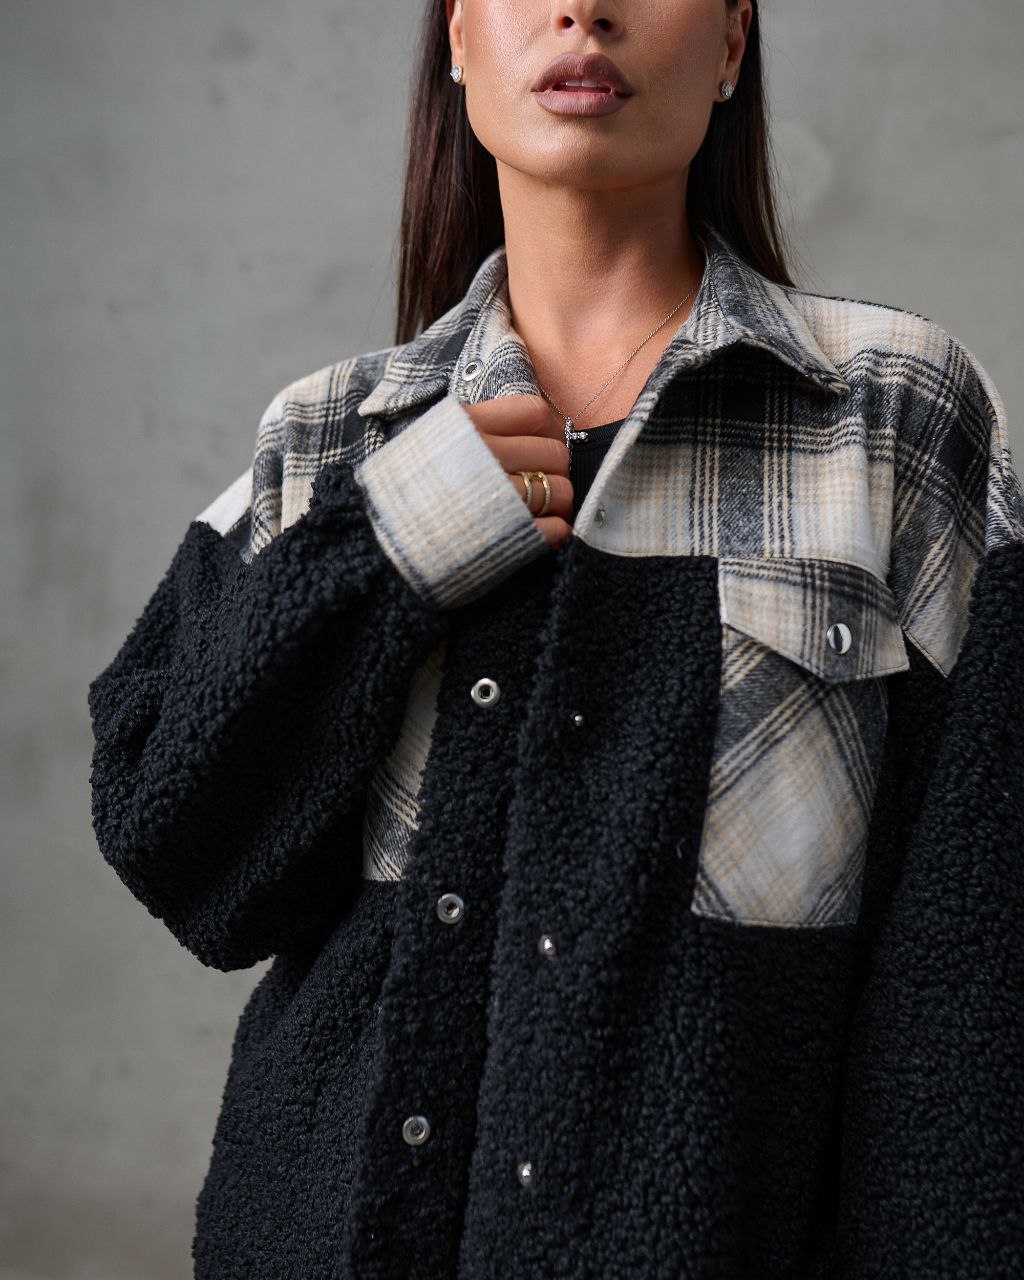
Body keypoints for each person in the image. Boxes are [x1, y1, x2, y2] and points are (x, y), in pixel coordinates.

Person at [86, 0, 1024, 1275]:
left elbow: (970, 978)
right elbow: (179, 843)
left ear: (732, 43)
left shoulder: (897, 418)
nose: (584, 9)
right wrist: (398, 538)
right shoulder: (333, 435)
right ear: (456, 36)